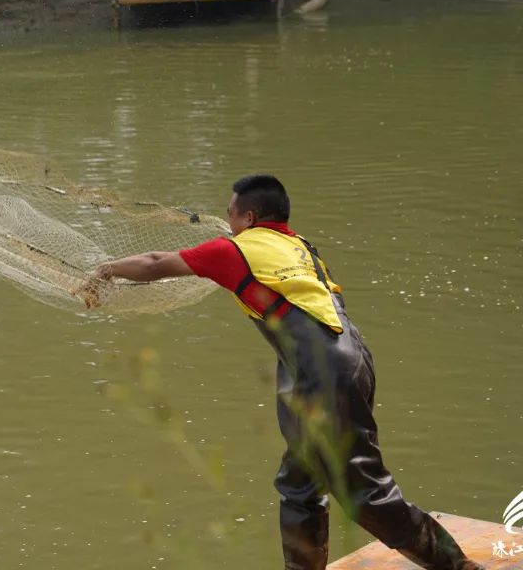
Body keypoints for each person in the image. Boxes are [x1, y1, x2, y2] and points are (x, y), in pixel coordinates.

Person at [75, 174, 484, 570]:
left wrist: (104, 271)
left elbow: (153, 263)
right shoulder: (300, 246)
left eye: (231, 213)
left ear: (249, 218)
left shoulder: (232, 251)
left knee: (362, 492)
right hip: (344, 357)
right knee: (300, 486)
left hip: (322, 370)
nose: (228, 222)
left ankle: (457, 565)